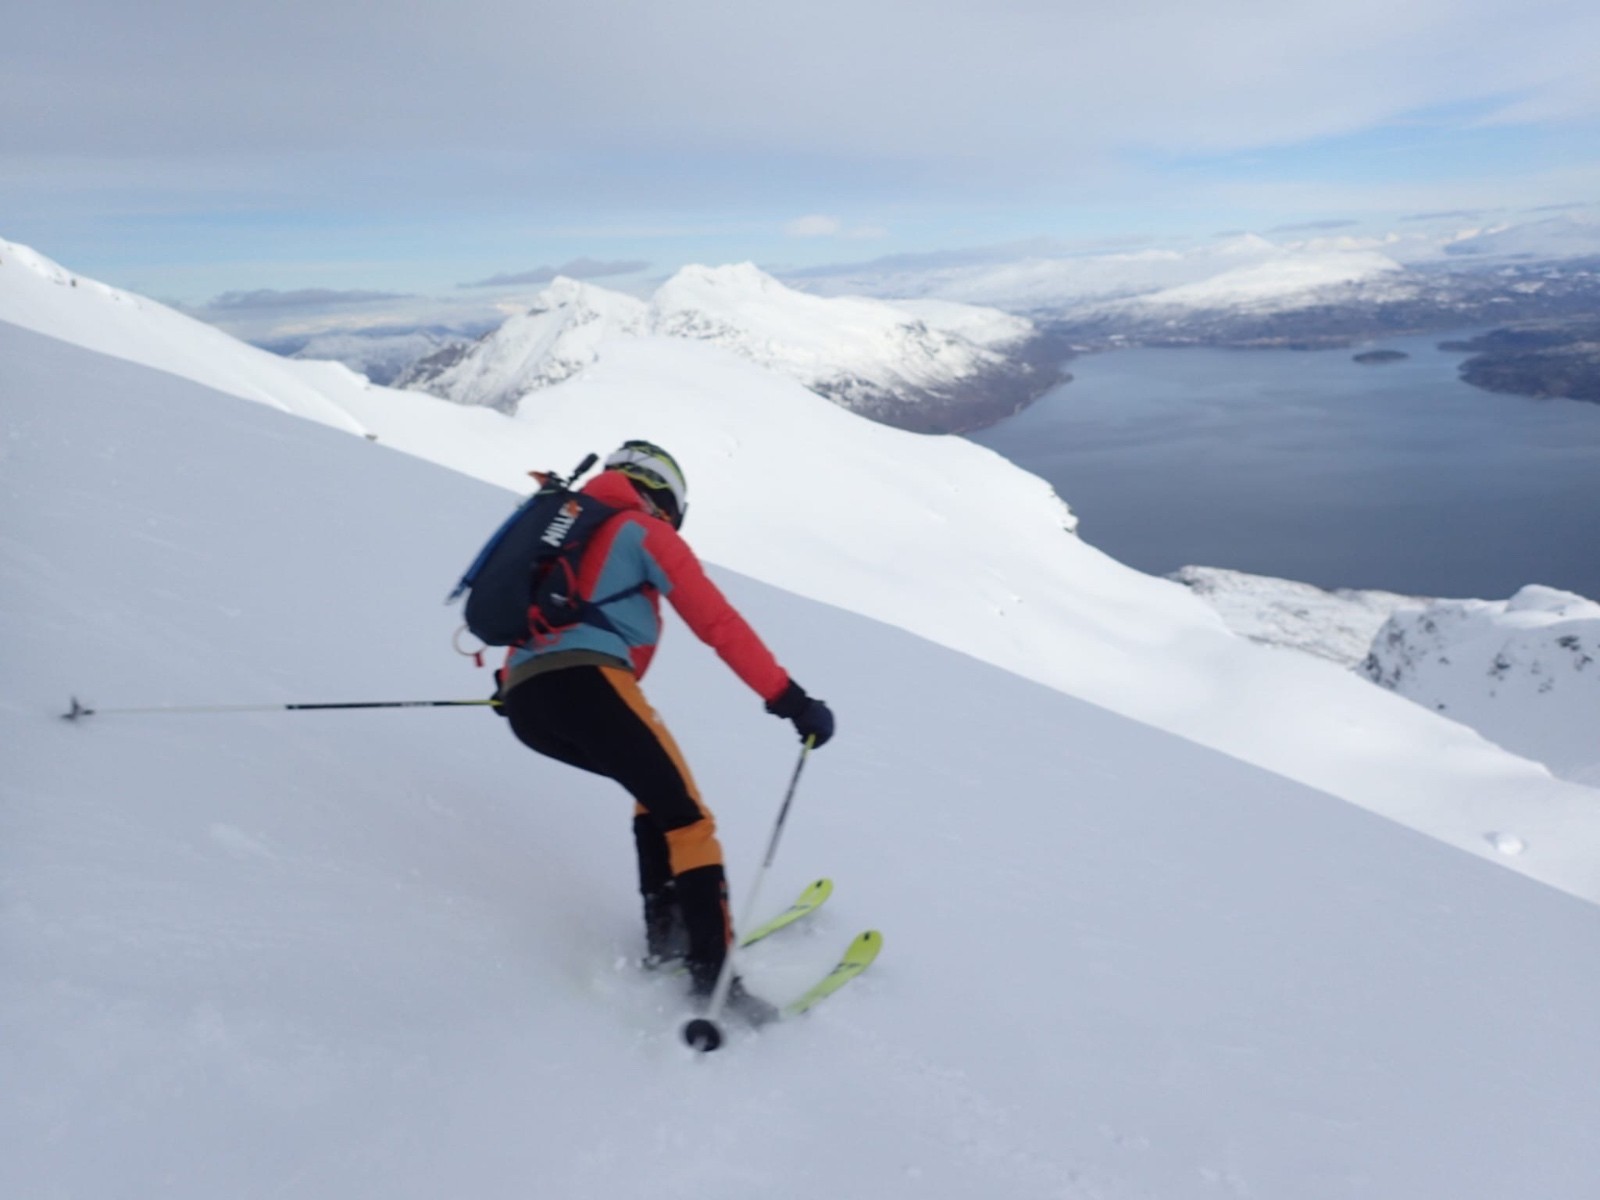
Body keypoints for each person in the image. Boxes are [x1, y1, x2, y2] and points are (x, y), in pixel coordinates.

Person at [494, 439, 834, 1017]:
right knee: (689, 820)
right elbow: (718, 623)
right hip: (591, 684)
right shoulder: (641, 530)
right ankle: (714, 979)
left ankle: (669, 935)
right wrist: (790, 699)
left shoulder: (565, 531)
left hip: (527, 704)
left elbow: (532, 617)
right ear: (662, 499)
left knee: (657, 795)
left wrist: (515, 688)